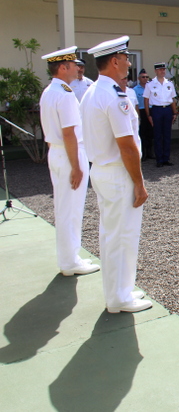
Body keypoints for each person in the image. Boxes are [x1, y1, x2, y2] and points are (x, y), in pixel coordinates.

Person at [81, 35, 151, 313]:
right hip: (118, 174)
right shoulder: (114, 96)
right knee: (122, 237)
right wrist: (139, 183)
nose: (129, 63)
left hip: (102, 170)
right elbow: (127, 146)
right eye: (125, 58)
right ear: (114, 62)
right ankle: (118, 298)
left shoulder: (92, 91)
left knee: (114, 235)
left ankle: (120, 291)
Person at [39, 46, 100, 277]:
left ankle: (70, 257)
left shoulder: (49, 91)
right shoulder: (64, 94)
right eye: (74, 65)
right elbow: (69, 133)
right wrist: (76, 166)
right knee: (71, 210)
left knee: (66, 208)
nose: (78, 68)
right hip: (69, 154)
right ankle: (69, 261)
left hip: (57, 153)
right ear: (63, 67)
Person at [143, 62, 177, 167]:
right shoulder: (150, 84)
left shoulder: (169, 83)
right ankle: (159, 159)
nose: (162, 71)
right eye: (160, 70)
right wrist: (148, 115)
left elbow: (172, 99)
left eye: (163, 69)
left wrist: (174, 112)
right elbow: (146, 100)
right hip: (156, 110)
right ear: (155, 71)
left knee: (167, 135)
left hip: (167, 110)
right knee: (157, 135)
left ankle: (166, 158)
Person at [133, 69, 155, 161]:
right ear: (139, 78)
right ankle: (143, 153)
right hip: (141, 111)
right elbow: (135, 103)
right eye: (143, 77)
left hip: (150, 110)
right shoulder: (135, 90)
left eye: (146, 77)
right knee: (142, 132)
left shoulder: (151, 87)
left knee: (151, 132)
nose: (145, 78)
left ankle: (150, 152)